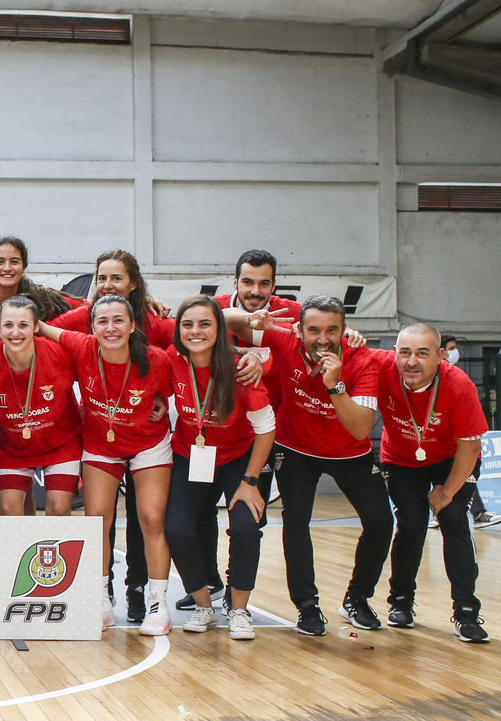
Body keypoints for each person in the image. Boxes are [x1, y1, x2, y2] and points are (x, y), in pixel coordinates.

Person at [228, 294, 392, 635]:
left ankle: (357, 598)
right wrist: (252, 319)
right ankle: (307, 606)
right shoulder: (286, 338)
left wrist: (335, 385)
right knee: (296, 520)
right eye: (314, 330)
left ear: (345, 331)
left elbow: (361, 428)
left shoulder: (362, 361)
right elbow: (217, 317)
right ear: (299, 331)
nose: (323, 338)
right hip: (295, 448)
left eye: (332, 330)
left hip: (350, 451)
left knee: (380, 520)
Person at [47, 250, 182, 620]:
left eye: (118, 321)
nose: (110, 327)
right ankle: (100, 598)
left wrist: (247, 356)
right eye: (102, 321)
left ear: (133, 324)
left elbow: (197, 340)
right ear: (91, 326)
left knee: (151, 519)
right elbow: (42, 327)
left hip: (148, 443)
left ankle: (155, 601)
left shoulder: (159, 354)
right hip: (100, 443)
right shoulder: (82, 341)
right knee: (97, 520)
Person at [162, 296, 276, 640]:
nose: (196, 332)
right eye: (188, 324)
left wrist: (251, 481)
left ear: (220, 330)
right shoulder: (172, 360)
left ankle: (239, 609)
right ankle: (203, 606)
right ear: (178, 330)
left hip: (237, 457)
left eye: (205, 324)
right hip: (190, 453)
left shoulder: (241, 368)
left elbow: (266, 427)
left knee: (245, 525)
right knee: (177, 528)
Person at [372, 323, 489, 641]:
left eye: (422, 354)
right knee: (411, 524)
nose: (412, 362)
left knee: (453, 519)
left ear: (440, 356)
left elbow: (470, 447)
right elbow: (336, 343)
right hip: (401, 459)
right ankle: (401, 601)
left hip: (454, 459)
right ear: (394, 354)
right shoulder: (382, 366)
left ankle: (466, 611)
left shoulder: (459, 385)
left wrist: (447, 492)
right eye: (405, 353)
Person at [0, 297, 84, 517]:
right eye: (8, 325)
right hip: (14, 447)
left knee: (59, 509)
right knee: (9, 512)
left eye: (23, 325)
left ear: (36, 327)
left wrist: (86, 405)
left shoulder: (58, 354)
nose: (15, 333)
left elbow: (93, 374)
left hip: (61, 444)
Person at [435, 336, 500, 529]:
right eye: (452, 348)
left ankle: (477, 513)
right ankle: (430, 512)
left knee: (466, 473)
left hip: (456, 442)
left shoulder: (457, 378)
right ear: (441, 352)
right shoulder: (429, 376)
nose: (456, 352)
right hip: (433, 442)